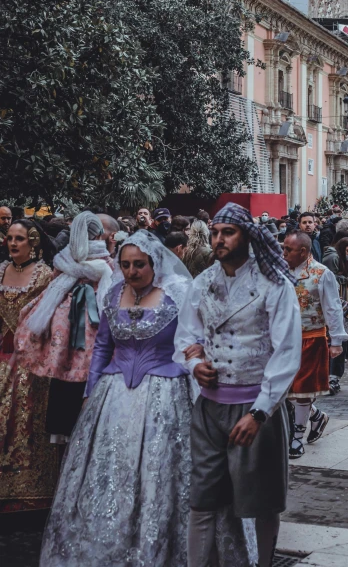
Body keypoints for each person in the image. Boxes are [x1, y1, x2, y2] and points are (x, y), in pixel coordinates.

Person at [40, 229, 254, 566]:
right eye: (125, 264)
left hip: (165, 395)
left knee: (162, 473)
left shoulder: (178, 293)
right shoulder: (112, 294)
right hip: (113, 396)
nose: (131, 271)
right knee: (111, 472)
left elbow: (194, 340)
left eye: (139, 264)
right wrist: (90, 391)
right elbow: (103, 349)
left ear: (154, 263)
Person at [173, 203, 301, 567]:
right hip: (209, 409)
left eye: (227, 232)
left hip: (256, 406)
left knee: (262, 502)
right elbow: (186, 335)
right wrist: (195, 363)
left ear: (247, 236)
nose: (218, 240)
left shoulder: (273, 284)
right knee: (201, 499)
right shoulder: (203, 282)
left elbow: (287, 351)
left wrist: (260, 412)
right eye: (214, 233)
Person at [15, 212, 113, 444]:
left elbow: (49, 293)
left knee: (61, 380)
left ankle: (60, 433)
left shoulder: (63, 261)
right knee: (91, 378)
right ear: (99, 234)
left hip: (62, 335)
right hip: (94, 333)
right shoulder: (107, 265)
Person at [0, 219, 55, 513]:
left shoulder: (44, 276)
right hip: (2, 354)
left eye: (19, 238)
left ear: (33, 242)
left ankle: (28, 487)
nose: (12, 243)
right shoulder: (0, 272)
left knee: (24, 411)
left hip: (31, 360)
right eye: (9, 238)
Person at [282, 231, 348, 458]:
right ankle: (316, 416)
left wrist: (336, 340)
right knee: (284, 389)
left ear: (303, 251)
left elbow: (333, 307)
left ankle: (297, 437)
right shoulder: (279, 272)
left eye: (288, 250)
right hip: (283, 339)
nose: (283, 253)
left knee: (302, 389)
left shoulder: (321, 274)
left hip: (311, 337)